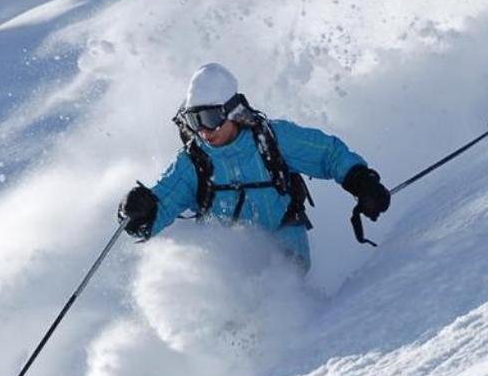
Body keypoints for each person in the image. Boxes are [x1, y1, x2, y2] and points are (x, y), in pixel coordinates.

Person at [118, 63, 390, 268]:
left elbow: (328, 154)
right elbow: (163, 204)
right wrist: (137, 213)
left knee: (277, 297)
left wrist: (362, 182)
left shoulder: (271, 140)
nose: (203, 130)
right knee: (225, 302)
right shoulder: (193, 162)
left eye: (210, 117)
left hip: (286, 249)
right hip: (229, 263)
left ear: (232, 111)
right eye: (193, 120)